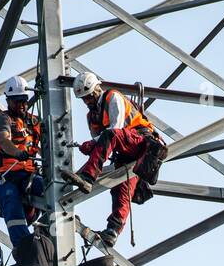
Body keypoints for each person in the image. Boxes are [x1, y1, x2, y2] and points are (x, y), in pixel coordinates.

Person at [67, 71, 167, 245]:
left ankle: (87, 177)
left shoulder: (112, 97)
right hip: (125, 150)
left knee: (111, 135)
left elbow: (115, 129)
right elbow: (100, 145)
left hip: (142, 142)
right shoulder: (92, 117)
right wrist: (91, 146)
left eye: (89, 96)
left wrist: (91, 144)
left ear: (97, 89)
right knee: (121, 188)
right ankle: (113, 230)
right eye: (84, 99)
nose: (87, 101)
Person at [0, 75, 44, 248]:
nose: (21, 105)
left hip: (28, 175)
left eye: (24, 101)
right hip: (6, 176)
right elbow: (4, 141)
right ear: (9, 101)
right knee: (11, 202)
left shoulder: (33, 122)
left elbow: (47, 144)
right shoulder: (2, 120)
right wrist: (18, 153)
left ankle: (49, 232)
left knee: (48, 188)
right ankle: (25, 247)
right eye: (17, 101)